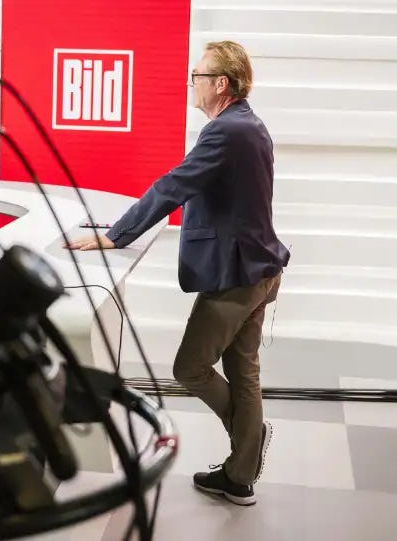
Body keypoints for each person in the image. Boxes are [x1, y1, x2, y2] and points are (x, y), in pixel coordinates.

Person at [65, 41, 289, 506]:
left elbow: (174, 185)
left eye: (198, 75)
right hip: (259, 270)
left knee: (189, 367)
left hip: (237, 277)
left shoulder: (225, 131)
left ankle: (248, 442)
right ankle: (240, 476)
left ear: (220, 83)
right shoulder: (248, 124)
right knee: (243, 373)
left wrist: (116, 235)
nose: (192, 83)